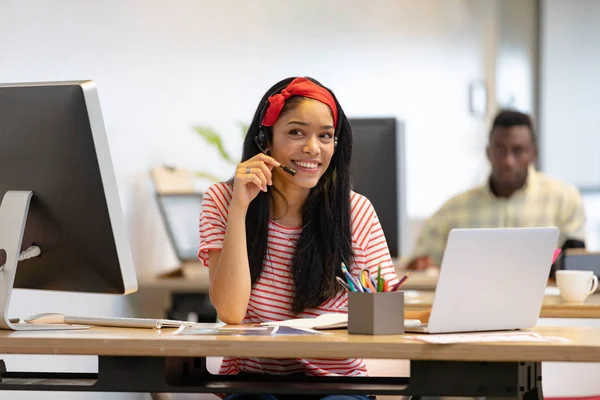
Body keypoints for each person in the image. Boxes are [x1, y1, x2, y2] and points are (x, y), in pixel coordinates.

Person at [198, 76, 429, 400]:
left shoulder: (355, 210)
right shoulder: (223, 199)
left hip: (339, 384)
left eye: (325, 136)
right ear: (266, 139)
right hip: (254, 382)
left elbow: (386, 319)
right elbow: (231, 312)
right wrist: (240, 208)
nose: (312, 148)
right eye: (296, 132)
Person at [407, 109, 587, 270]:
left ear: (534, 153)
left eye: (518, 151)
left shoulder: (563, 199)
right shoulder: (453, 209)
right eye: (500, 150)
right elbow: (418, 264)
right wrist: (422, 264)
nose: (508, 161)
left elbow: (579, 264)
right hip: (475, 304)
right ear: (488, 153)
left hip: (545, 305)